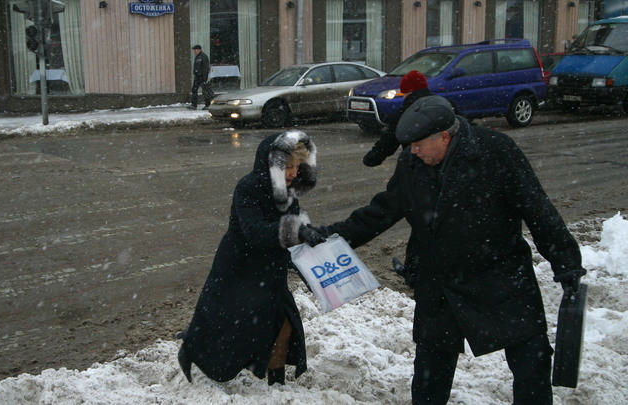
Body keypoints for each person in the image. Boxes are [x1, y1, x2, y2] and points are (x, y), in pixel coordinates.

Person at [317, 95, 585, 404]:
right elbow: (379, 212)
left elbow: (538, 211)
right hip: (440, 282)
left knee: (530, 362)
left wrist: (567, 263)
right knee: (431, 370)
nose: (413, 152)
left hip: (500, 276)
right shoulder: (412, 163)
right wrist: (327, 237)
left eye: (418, 145)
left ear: (445, 137)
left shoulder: (495, 152)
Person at [177, 130, 323, 386]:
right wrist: (297, 230)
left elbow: (291, 237)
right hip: (239, 268)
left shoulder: (289, 192)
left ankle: (276, 381)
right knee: (230, 328)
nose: (293, 173)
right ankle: (192, 348)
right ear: (271, 165)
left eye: (298, 166)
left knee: (283, 322)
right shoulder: (248, 187)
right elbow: (254, 232)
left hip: (271, 271)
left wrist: (312, 264)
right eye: (287, 167)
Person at [363, 70, 433, 167]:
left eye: (404, 93)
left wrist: (372, 158)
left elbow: (389, 141)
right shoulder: (443, 104)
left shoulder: (405, 112)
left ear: (408, 92)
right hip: (446, 162)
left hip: (419, 163)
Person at [187, 45, 214, 110]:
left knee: (205, 91)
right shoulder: (197, 57)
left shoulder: (203, 57)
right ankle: (194, 105)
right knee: (194, 89)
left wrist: (205, 77)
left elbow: (206, 68)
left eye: (195, 50)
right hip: (197, 76)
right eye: (194, 50)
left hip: (202, 76)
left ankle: (208, 105)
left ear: (199, 50)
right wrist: (195, 72)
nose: (194, 52)